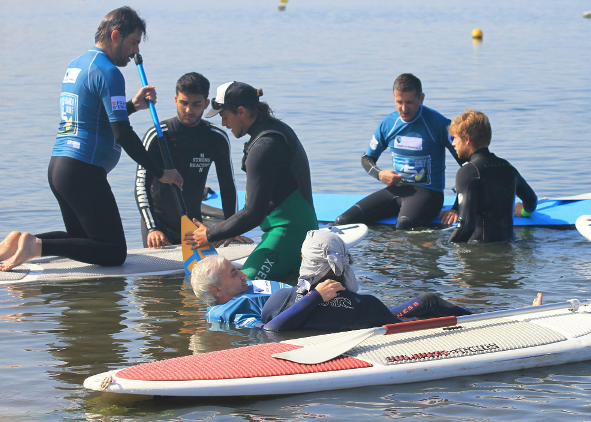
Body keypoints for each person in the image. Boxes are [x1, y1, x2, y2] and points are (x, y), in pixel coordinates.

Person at [0, 6, 183, 271]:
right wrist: (160, 172)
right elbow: (122, 133)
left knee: (87, 242)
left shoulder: (76, 65)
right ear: (115, 35)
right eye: (133, 43)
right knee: (113, 253)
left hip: (60, 167)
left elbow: (93, 116)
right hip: (83, 171)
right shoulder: (110, 73)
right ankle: (35, 246)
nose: (136, 52)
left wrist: (132, 105)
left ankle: (21, 241)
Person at [190, 231, 539, 332]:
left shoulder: (249, 289)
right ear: (217, 291)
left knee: (426, 302)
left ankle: (504, 316)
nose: (242, 273)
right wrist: (319, 295)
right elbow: (268, 331)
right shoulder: (229, 310)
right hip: (329, 317)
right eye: (233, 273)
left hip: (336, 311)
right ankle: (508, 321)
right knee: (427, 305)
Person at [183, 81, 318, 283]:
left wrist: (209, 234)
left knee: (239, 288)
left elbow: (253, 213)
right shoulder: (274, 132)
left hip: (287, 235)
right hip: (295, 231)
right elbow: (264, 203)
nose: (223, 124)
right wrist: (228, 229)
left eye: (224, 115)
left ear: (242, 111)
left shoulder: (264, 146)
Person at [134, 72, 251, 248]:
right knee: (157, 278)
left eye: (196, 104)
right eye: (184, 103)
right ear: (175, 100)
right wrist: (152, 228)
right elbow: (141, 185)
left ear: (206, 104)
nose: (189, 110)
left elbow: (227, 186)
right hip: (159, 227)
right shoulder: (157, 135)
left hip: (193, 225)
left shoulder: (216, 138)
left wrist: (230, 228)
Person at [335, 73, 464, 230]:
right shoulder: (388, 124)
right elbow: (367, 158)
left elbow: (467, 166)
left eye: (409, 102)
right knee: (343, 221)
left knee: (403, 227)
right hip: (396, 190)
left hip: (429, 194)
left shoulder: (439, 125)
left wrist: (457, 207)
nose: (404, 108)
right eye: (399, 102)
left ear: (421, 98)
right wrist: (380, 174)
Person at [440, 109, 538, 243]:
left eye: (455, 138)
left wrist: (446, 248)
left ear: (467, 140)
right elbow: (531, 200)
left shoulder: (468, 172)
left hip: (479, 252)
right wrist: (524, 212)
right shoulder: (508, 167)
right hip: (509, 248)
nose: (453, 143)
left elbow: (466, 226)